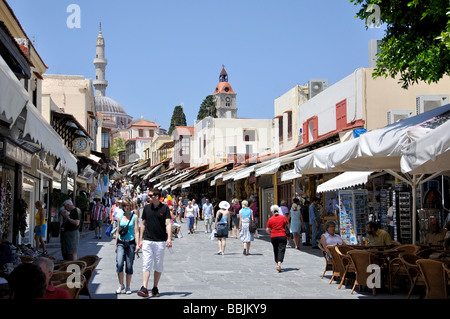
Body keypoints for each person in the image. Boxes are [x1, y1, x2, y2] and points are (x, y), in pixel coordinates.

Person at [137, 188, 172, 298]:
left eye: (151, 195)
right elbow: (143, 224)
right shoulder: (146, 208)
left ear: (157, 196)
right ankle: (144, 288)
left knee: (158, 265)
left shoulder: (165, 208)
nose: (149, 197)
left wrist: (169, 238)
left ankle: (155, 287)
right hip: (147, 240)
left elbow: (168, 224)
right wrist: (140, 240)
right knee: (146, 263)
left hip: (160, 241)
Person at [115, 199, 140, 294]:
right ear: (123, 207)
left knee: (129, 265)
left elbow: (136, 231)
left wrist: (137, 244)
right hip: (121, 242)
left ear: (130, 206)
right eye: (125, 206)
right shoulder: (119, 217)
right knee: (119, 264)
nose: (127, 207)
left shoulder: (135, 217)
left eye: (128, 206)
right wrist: (115, 245)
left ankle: (128, 286)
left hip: (131, 243)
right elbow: (117, 231)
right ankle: (121, 285)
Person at [266, 205, 289, 272]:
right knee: (281, 250)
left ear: (272, 211)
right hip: (282, 235)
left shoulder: (270, 219)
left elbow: (267, 229)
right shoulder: (283, 218)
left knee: (275, 250)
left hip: (274, 236)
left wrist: (271, 232)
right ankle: (279, 264)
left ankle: (277, 264)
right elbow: (288, 225)